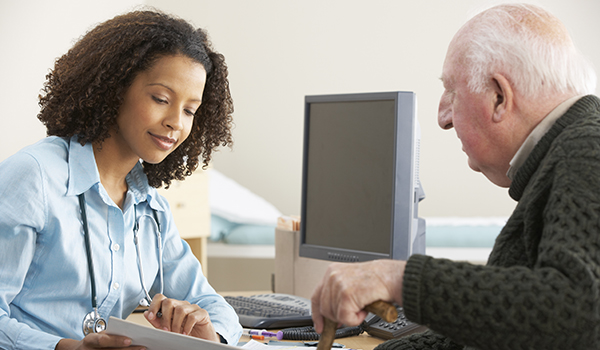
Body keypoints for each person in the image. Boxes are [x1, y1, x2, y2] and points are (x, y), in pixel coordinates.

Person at [311, 3, 599, 350]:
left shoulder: (588, 147)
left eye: (452, 92)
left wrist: (397, 279)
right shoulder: (566, 154)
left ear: (498, 97)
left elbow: (577, 312)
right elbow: (508, 328)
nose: (442, 117)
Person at [0, 10, 243, 350]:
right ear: (115, 88)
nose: (176, 122)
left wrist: (210, 335)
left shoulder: (150, 207)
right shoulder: (34, 177)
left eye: (190, 110)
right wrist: (65, 347)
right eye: (161, 99)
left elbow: (212, 304)